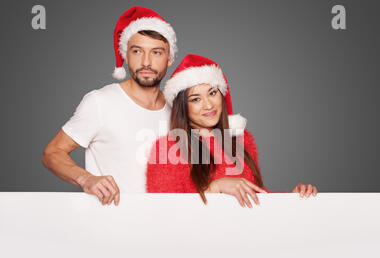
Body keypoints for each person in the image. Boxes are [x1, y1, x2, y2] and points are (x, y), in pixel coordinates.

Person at [41, 6, 179, 206]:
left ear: (169, 59)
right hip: (112, 228)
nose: (146, 62)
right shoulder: (100, 102)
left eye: (156, 52)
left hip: (166, 227)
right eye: (137, 51)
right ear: (125, 55)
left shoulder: (177, 109)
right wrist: (86, 179)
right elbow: (52, 153)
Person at [146, 54, 318, 208]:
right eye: (196, 99)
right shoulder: (167, 147)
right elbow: (164, 209)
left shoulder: (241, 141)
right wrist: (216, 187)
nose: (208, 105)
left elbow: (254, 197)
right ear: (183, 107)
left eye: (212, 93)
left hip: (244, 238)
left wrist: (293, 197)